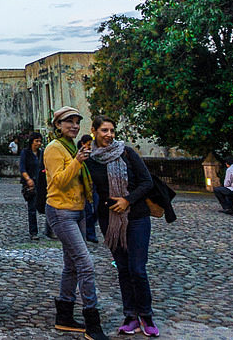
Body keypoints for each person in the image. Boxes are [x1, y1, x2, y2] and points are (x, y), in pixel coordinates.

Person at [85, 115, 159, 338]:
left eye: (111, 130)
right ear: (94, 131)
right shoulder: (91, 159)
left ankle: (146, 314)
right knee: (123, 269)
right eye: (104, 131)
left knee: (137, 268)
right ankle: (130, 316)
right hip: (110, 220)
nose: (109, 135)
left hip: (136, 216)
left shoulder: (126, 153)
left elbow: (147, 182)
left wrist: (127, 200)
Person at [44, 106, 108, 340]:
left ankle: (65, 316)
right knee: (85, 264)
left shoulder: (73, 146)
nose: (73, 125)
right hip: (61, 211)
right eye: (67, 121)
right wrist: (77, 161)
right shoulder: (54, 148)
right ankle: (92, 322)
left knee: (71, 265)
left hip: (78, 209)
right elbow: (58, 181)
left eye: (76, 121)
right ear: (58, 125)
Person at [19, 132, 43, 239]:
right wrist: (28, 179)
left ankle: (50, 230)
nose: (39, 143)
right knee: (32, 208)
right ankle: (33, 232)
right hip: (30, 184)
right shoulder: (25, 152)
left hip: (41, 182)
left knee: (46, 206)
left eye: (40, 141)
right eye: (36, 141)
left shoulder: (41, 153)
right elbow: (22, 168)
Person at [78, 134, 100, 244]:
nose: (90, 146)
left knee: (96, 209)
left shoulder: (93, 155)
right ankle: (89, 233)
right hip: (83, 187)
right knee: (87, 211)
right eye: (88, 144)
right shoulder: (79, 156)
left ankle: (90, 231)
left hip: (93, 185)